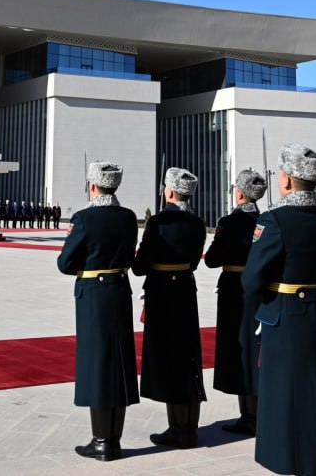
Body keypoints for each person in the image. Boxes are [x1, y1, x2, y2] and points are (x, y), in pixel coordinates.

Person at [241, 143, 316, 476]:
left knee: (285, 399)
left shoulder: (274, 219)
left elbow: (252, 280)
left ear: (285, 180)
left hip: (284, 316)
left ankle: (293, 463)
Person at [57, 160, 139, 462]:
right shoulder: (128, 217)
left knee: (98, 364)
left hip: (93, 295)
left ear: (92, 186)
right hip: (120, 291)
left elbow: (65, 263)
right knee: (119, 362)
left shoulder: (84, 218)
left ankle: (102, 441)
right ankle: (113, 439)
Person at [134, 167, 207, 449]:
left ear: (170, 191)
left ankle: (178, 429)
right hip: (186, 290)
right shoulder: (197, 223)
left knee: (168, 358)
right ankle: (189, 428)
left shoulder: (158, 222)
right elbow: (194, 262)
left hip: (162, 292)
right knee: (188, 357)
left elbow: (140, 266)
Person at [204, 168, 266, 436]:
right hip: (261, 290)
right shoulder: (267, 221)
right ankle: (258, 410)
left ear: (239, 194)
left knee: (239, 348)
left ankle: (248, 415)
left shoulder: (229, 222)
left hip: (234, 291)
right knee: (256, 349)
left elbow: (212, 259)